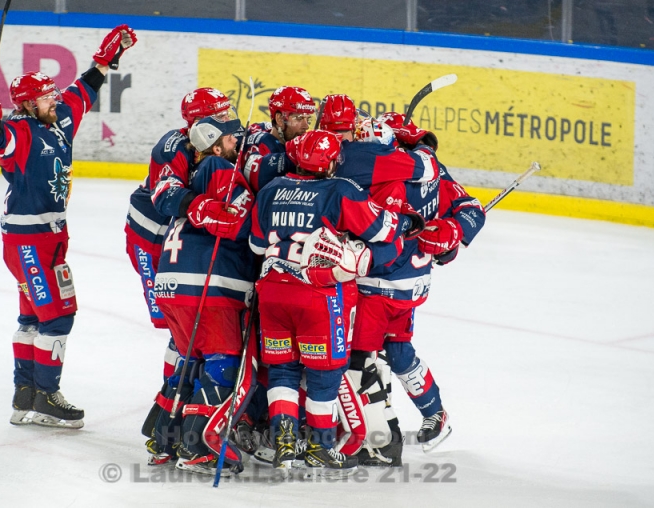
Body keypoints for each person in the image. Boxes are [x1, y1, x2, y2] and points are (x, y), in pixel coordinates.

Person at [0, 25, 137, 429]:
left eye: (52, 93)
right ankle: (46, 396)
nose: (54, 98)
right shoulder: (20, 130)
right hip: (28, 241)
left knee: (31, 317)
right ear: (28, 104)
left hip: (49, 236)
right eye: (46, 96)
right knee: (58, 317)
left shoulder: (59, 117)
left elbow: (84, 90)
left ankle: (24, 396)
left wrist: (104, 61)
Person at [249, 130, 424, 475]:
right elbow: (381, 229)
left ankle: (285, 442)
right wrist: (407, 222)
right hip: (316, 293)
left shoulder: (270, 189)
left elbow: (256, 244)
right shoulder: (340, 190)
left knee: (282, 368)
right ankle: (320, 445)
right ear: (328, 163)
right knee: (325, 372)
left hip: (272, 290)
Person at [333, 110, 485, 463]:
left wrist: (451, 233)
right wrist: (451, 234)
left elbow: (467, 212)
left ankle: (377, 437)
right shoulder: (428, 169)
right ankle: (434, 413)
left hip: (377, 284)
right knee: (398, 349)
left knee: (357, 360)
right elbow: (470, 208)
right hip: (409, 285)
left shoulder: (380, 175)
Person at [144, 116, 257, 476]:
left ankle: (164, 440)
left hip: (172, 284)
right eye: (230, 138)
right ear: (215, 144)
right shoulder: (219, 170)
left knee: (190, 363)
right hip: (207, 287)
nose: (237, 143)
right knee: (222, 365)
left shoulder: (187, 181)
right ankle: (198, 448)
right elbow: (236, 223)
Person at [125, 88, 235, 379]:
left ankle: (182, 390)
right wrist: (204, 208)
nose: (227, 120)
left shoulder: (214, 138)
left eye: (227, 113)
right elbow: (165, 195)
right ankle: (172, 389)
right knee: (177, 327)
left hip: (176, 242)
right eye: (220, 116)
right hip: (149, 240)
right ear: (199, 121)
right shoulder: (172, 147)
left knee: (189, 324)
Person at [241, 86, 316, 192]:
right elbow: (257, 179)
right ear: (280, 119)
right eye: (299, 118)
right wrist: (297, 156)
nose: (306, 126)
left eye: (308, 119)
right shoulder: (263, 145)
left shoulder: (267, 130)